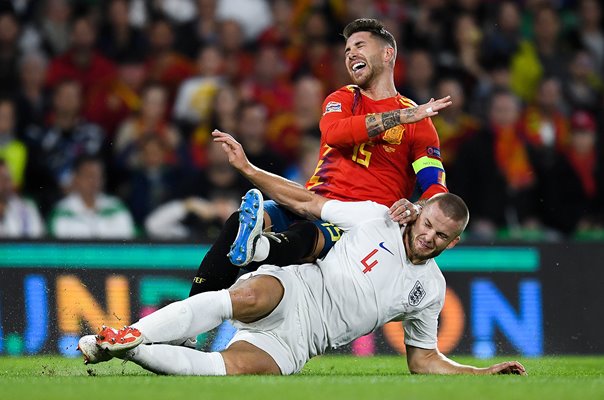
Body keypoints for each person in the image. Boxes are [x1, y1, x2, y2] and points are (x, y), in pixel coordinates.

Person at [77, 131, 527, 377]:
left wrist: (478, 375)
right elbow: (309, 202)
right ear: (421, 211)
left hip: (303, 342)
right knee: (246, 296)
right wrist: (250, 169)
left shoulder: (431, 289)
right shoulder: (380, 217)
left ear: (454, 243)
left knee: (224, 370)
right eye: (429, 224)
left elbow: (423, 360)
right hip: (300, 288)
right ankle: (138, 328)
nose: (429, 237)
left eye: (442, 236)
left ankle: (125, 348)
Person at [189, 18, 452, 296]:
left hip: (361, 226)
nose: (350, 54)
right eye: (347, 50)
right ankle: (191, 314)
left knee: (303, 239)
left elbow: (435, 186)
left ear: (387, 54)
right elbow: (336, 134)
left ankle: (257, 250)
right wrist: (399, 117)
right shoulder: (342, 99)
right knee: (239, 221)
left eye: (360, 45)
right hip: (313, 204)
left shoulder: (419, 122)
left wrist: (418, 208)